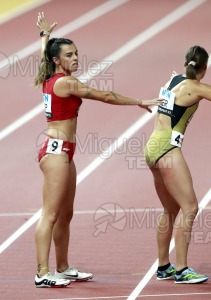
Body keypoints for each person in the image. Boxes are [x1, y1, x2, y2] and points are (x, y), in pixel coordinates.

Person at [34, 12, 163, 288]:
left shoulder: (50, 72)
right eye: (69, 55)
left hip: (65, 152)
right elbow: (104, 95)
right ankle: (42, 273)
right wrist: (139, 101)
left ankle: (63, 267)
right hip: (55, 153)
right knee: (50, 214)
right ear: (57, 60)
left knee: (65, 215)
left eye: (77, 53)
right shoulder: (65, 83)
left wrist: (44, 37)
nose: (76, 58)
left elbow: (46, 54)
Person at [144, 45, 211, 284]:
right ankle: (182, 269)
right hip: (167, 148)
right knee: (190, 207)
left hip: (151, 145)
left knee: (170, 210)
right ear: (205, 67)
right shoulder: (197, 87)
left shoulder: (173, 80)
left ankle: (164, 267)